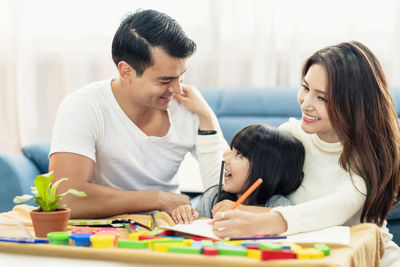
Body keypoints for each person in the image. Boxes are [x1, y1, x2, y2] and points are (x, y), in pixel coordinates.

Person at [177, 41, 400, 265]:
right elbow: (228, 178)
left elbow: (331, 210)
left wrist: (259, 219)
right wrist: (206, 118)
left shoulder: (366, 161)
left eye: (321, 97)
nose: (306, 103)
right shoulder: (291, 136)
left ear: (353, 105)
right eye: (305, 88)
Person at [48, 9, 226, 219]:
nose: (177, 89)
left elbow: (223, 192)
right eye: (164, 80)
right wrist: (158, 199)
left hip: (166, 228)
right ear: (126, 72)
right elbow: (67, 198)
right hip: (101, 228)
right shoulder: (83, 106)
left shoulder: (189, 108)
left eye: (181, 77)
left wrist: (208, 118)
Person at [170, 123, 305, 224]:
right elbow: (196, 228)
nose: (226, 159)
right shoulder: (213, 197)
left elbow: (292, 217)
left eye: (239, 155)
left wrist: (241, 210)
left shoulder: (276, 204)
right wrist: (186, 215)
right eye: (231, 150)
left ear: (265, 169)